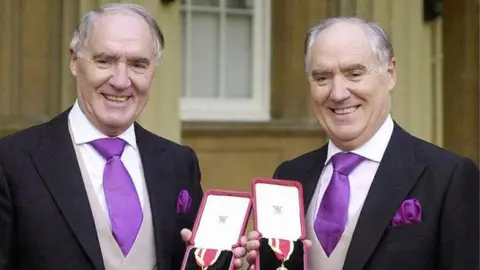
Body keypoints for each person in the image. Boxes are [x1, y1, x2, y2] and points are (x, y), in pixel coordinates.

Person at [0, 3, 245, 270]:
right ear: (74, 60)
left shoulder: (179, 163)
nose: (121, 80)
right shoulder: (12, 161)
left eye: (138, 64)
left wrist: (226, 263)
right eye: (105, 61)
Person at [241, 17, 479, 269]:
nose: (338, 93)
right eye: (322, 77)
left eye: (354, 74)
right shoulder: (289, 176)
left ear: (390, 74)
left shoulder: (449, 177)